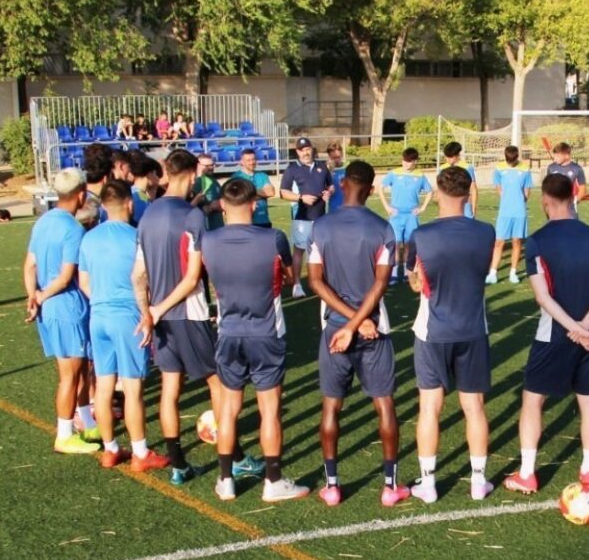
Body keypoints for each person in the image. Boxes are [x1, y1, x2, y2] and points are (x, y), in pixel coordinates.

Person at [134, 150, 260, 485]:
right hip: (187, 313)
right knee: (219, 383)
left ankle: (178, 465)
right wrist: (158, 310)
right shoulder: (192, 217)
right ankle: (233, 459)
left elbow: (138, 275)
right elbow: (192, 279)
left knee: (170, 386)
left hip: (160, 318)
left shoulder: (147, 216)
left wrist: (147, 312)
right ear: (191, 175)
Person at [502, 174, 589, 493]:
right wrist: (587, 325)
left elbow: (543, 297)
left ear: (545, 200)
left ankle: (527, 473)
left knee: (532, 399)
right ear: (574, 195)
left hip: (554, 333)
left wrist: (573, 328)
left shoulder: (538, 240)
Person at [308, 161, 411, 508]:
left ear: (340, 184)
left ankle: (333, 486)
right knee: (384, 404)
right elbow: (382, 283)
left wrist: (347, 323)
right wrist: (360, 322)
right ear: (370, 188)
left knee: (331, 407)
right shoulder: (383, 227)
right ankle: (389, 487)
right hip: (372, 330)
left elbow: (316, 281)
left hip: (335, 330)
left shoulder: (320, 227)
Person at [201, 178, 309, 502]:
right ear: (254, 205)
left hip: (229, 332)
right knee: (269, 410)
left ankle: (226, 479)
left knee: (229, 410)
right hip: (266, 333)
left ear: (222, 206)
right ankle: (273, 481)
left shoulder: (208, 241)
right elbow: (290, 279)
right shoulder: (273, 237)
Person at [406, 166, 496, 503]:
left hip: (433, 331)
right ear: (468, 191)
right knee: (474, 406)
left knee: (430, 407)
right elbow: (482, 271)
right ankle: (478, 481)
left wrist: (420, 280)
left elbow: (416, 282)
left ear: (438, 192)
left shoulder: (422, 234)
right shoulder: (485, 232)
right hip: (473, 329)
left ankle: (428, 484)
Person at [78, 180, 171, 471]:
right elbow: (146, 280)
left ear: (103, 206)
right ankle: (141, 453)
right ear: (130, 205)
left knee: (104, 386)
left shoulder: (89, 239)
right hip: (128, 317)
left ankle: (110, 448)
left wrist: (103, 300)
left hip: (98, 316)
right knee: (132, 388)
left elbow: (84, 282)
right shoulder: (136, 236)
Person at [24, 168, 98, 454]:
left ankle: (87, 421)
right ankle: (64, 433)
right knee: (70, 373)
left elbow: (29, 265)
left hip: (50, 308)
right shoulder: (72, 229)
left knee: (79, 369)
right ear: (80, 195)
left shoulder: (43, 222)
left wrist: (33, 295)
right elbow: (67, 277)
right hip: (66, 307)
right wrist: (41, 295)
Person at [279, 137, 332, 298]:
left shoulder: (322, 166)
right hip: (301, 216)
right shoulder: (292, 169)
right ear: (297, 151)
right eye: (302, 149)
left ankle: (320, 282)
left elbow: (330, 185)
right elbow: (283, 192)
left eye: (307, 148)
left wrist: (329, 192)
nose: (305, 152)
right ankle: (296, 284)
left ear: (312, 149)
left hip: (321, 216)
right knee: (299, 251)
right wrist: (301, 198)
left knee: (321, 250)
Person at [379, 148, 432, 285]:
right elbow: (380, 187)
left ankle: (409, 273)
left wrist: (423, 207)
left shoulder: (420, 176)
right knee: (396, 244)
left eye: (409, 162)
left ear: (415, 161)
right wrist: (387, 206)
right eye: (404, 161)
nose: (406, 164)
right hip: (396, 214)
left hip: (411, 216)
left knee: (409, 245)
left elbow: (430, 192)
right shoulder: (394, 173)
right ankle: (395, 273)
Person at [486, 145, 532, 284]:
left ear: (517, 157)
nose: (510, 162)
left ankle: (513, 272)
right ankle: (492, 273)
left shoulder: (525, 169)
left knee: (516, 242)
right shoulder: (499, 168)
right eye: (508, 160)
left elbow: (527, 190)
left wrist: (519, 202)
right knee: (499, 242)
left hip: (519, 212)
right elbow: (498, 187)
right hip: (504, 212)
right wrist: (506, 200)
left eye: (512, 160)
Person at [232, 148, 276, 228]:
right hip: (246, 222)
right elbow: (240, 197)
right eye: (248, 160)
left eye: (253, 159)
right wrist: (261, 193)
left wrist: (249, 191)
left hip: (263, 221)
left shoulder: (262, 175)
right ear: (241, 162)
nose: (252, 162)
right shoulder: (236, 178)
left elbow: (270, 192)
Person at [546, 142, 587, 219]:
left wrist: (574, 201)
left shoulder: (577, 169)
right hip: (554, 209)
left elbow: (583, 189)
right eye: (555, 155)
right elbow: (547, 187)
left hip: (570, 210)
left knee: (571, 230)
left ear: (567, 156)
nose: (555, 158)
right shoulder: (551, 168)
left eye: (558, 156)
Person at [440, 141, 478, 219]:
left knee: (467, 229)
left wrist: (473, 209)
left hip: (465, 206)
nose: (447, 159)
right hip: (449, 207)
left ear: (458, 155)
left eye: (450, 157)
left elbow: (473, 188)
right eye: (446, 157)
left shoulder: (467, 167)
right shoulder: (442, 168)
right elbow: (440, 189)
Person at [191, 153, 224, 230]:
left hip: (218, 227)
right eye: (207, 166)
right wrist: (207, 208)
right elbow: (188, 208)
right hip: (204, 229)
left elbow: (223, 201)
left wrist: (221, 204)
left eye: (212, 165)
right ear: (198, 165)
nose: (211, 168)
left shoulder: (215, 182)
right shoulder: (195, 183)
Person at [129, 152, 160, 226]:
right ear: (149, 174)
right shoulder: (139, 199)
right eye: (155, 174)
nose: (157, 178)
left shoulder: (138, 193)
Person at [326, 142, 346, 213]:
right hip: (334, 210)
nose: (336, 160)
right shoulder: (325, 171)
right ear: (329, 157)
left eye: (338, 157)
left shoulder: (349, 169)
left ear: (342, 155)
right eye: (333, 158)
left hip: (348, 209)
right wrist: (330, 171)